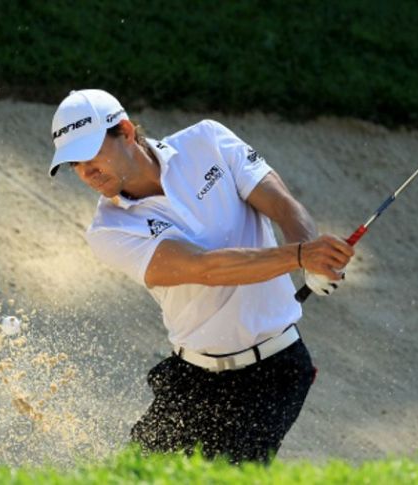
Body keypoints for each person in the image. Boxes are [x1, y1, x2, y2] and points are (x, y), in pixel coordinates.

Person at [48, 89, 355, 464]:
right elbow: (205, 269)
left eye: (90, 155)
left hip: (272, 376)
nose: (85, 172)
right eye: (74, 165)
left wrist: (312, 257)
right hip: (192, 379)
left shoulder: (207, 141)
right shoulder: (109, 230)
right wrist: (299, 256)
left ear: (126, 131)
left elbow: (282, 205)